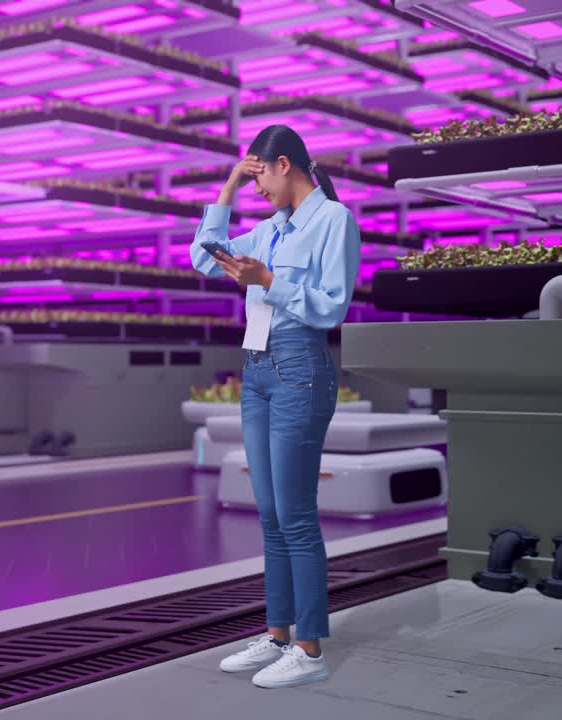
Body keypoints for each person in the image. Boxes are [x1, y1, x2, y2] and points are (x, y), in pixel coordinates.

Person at [189, 125, 361, 689]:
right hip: (258, 369)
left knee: (296, 515)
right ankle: (278, 634)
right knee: (268, 514)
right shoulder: (266, 230)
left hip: (300, 369)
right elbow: (202, 259)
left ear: (284, 165)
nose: (257, 188)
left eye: (259, 175)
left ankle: (309, 651)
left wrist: (270, 282)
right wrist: (227, 190)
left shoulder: (334, 220)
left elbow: (332, 306)